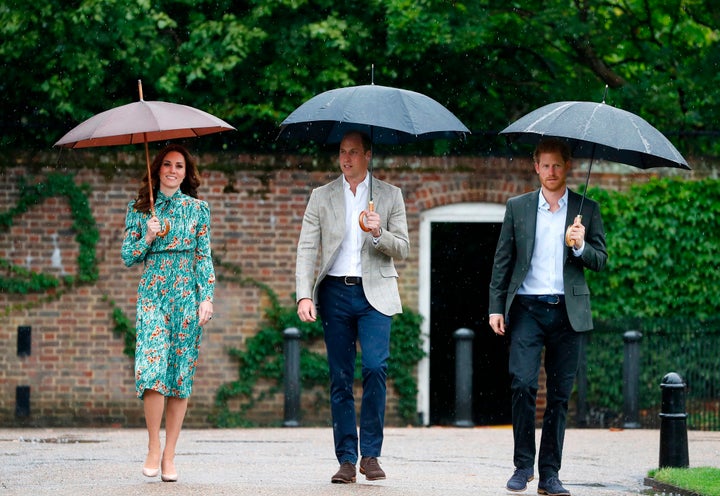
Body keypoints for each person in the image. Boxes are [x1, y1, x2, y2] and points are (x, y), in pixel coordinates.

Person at [488, 138, 607, 496]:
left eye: (558, 165)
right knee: (522, 383)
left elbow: (600, 259)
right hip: (526, 308)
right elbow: (503, 261)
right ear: (535, 167)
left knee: (558, 395)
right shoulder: (518, 207)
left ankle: (550, 474)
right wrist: (496, 306)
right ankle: (523, 466)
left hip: (568, 312)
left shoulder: (587, 208)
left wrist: (581, 246)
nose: (552, 172)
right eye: (546, 165)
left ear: (567, 167)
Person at [296, 131, 410, 484]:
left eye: (354, 152)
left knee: (375, 368)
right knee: (340, 376)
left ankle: (370, 455)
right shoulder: (321, 196)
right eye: (342, 152)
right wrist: (304, 294)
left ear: (368, 155)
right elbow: (306, 248)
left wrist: (379, 234)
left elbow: (403, 248)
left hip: (375, 293)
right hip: (334, 292)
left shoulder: (390, 195)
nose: (346, 158)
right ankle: (346, 459)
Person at [121, 144, 215, 482]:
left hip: (186, 297)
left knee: (178, 375)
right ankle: (152, 446)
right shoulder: (139, 208)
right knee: (151, 366)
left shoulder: (198, 210)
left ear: (187, 173)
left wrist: (207, 298)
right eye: (167, 165)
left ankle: (170, 456)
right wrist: (148, 234)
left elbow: (203, 257)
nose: (173, 170)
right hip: (153, 295)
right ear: (158, 169)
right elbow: (128, 256)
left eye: (179, 166)